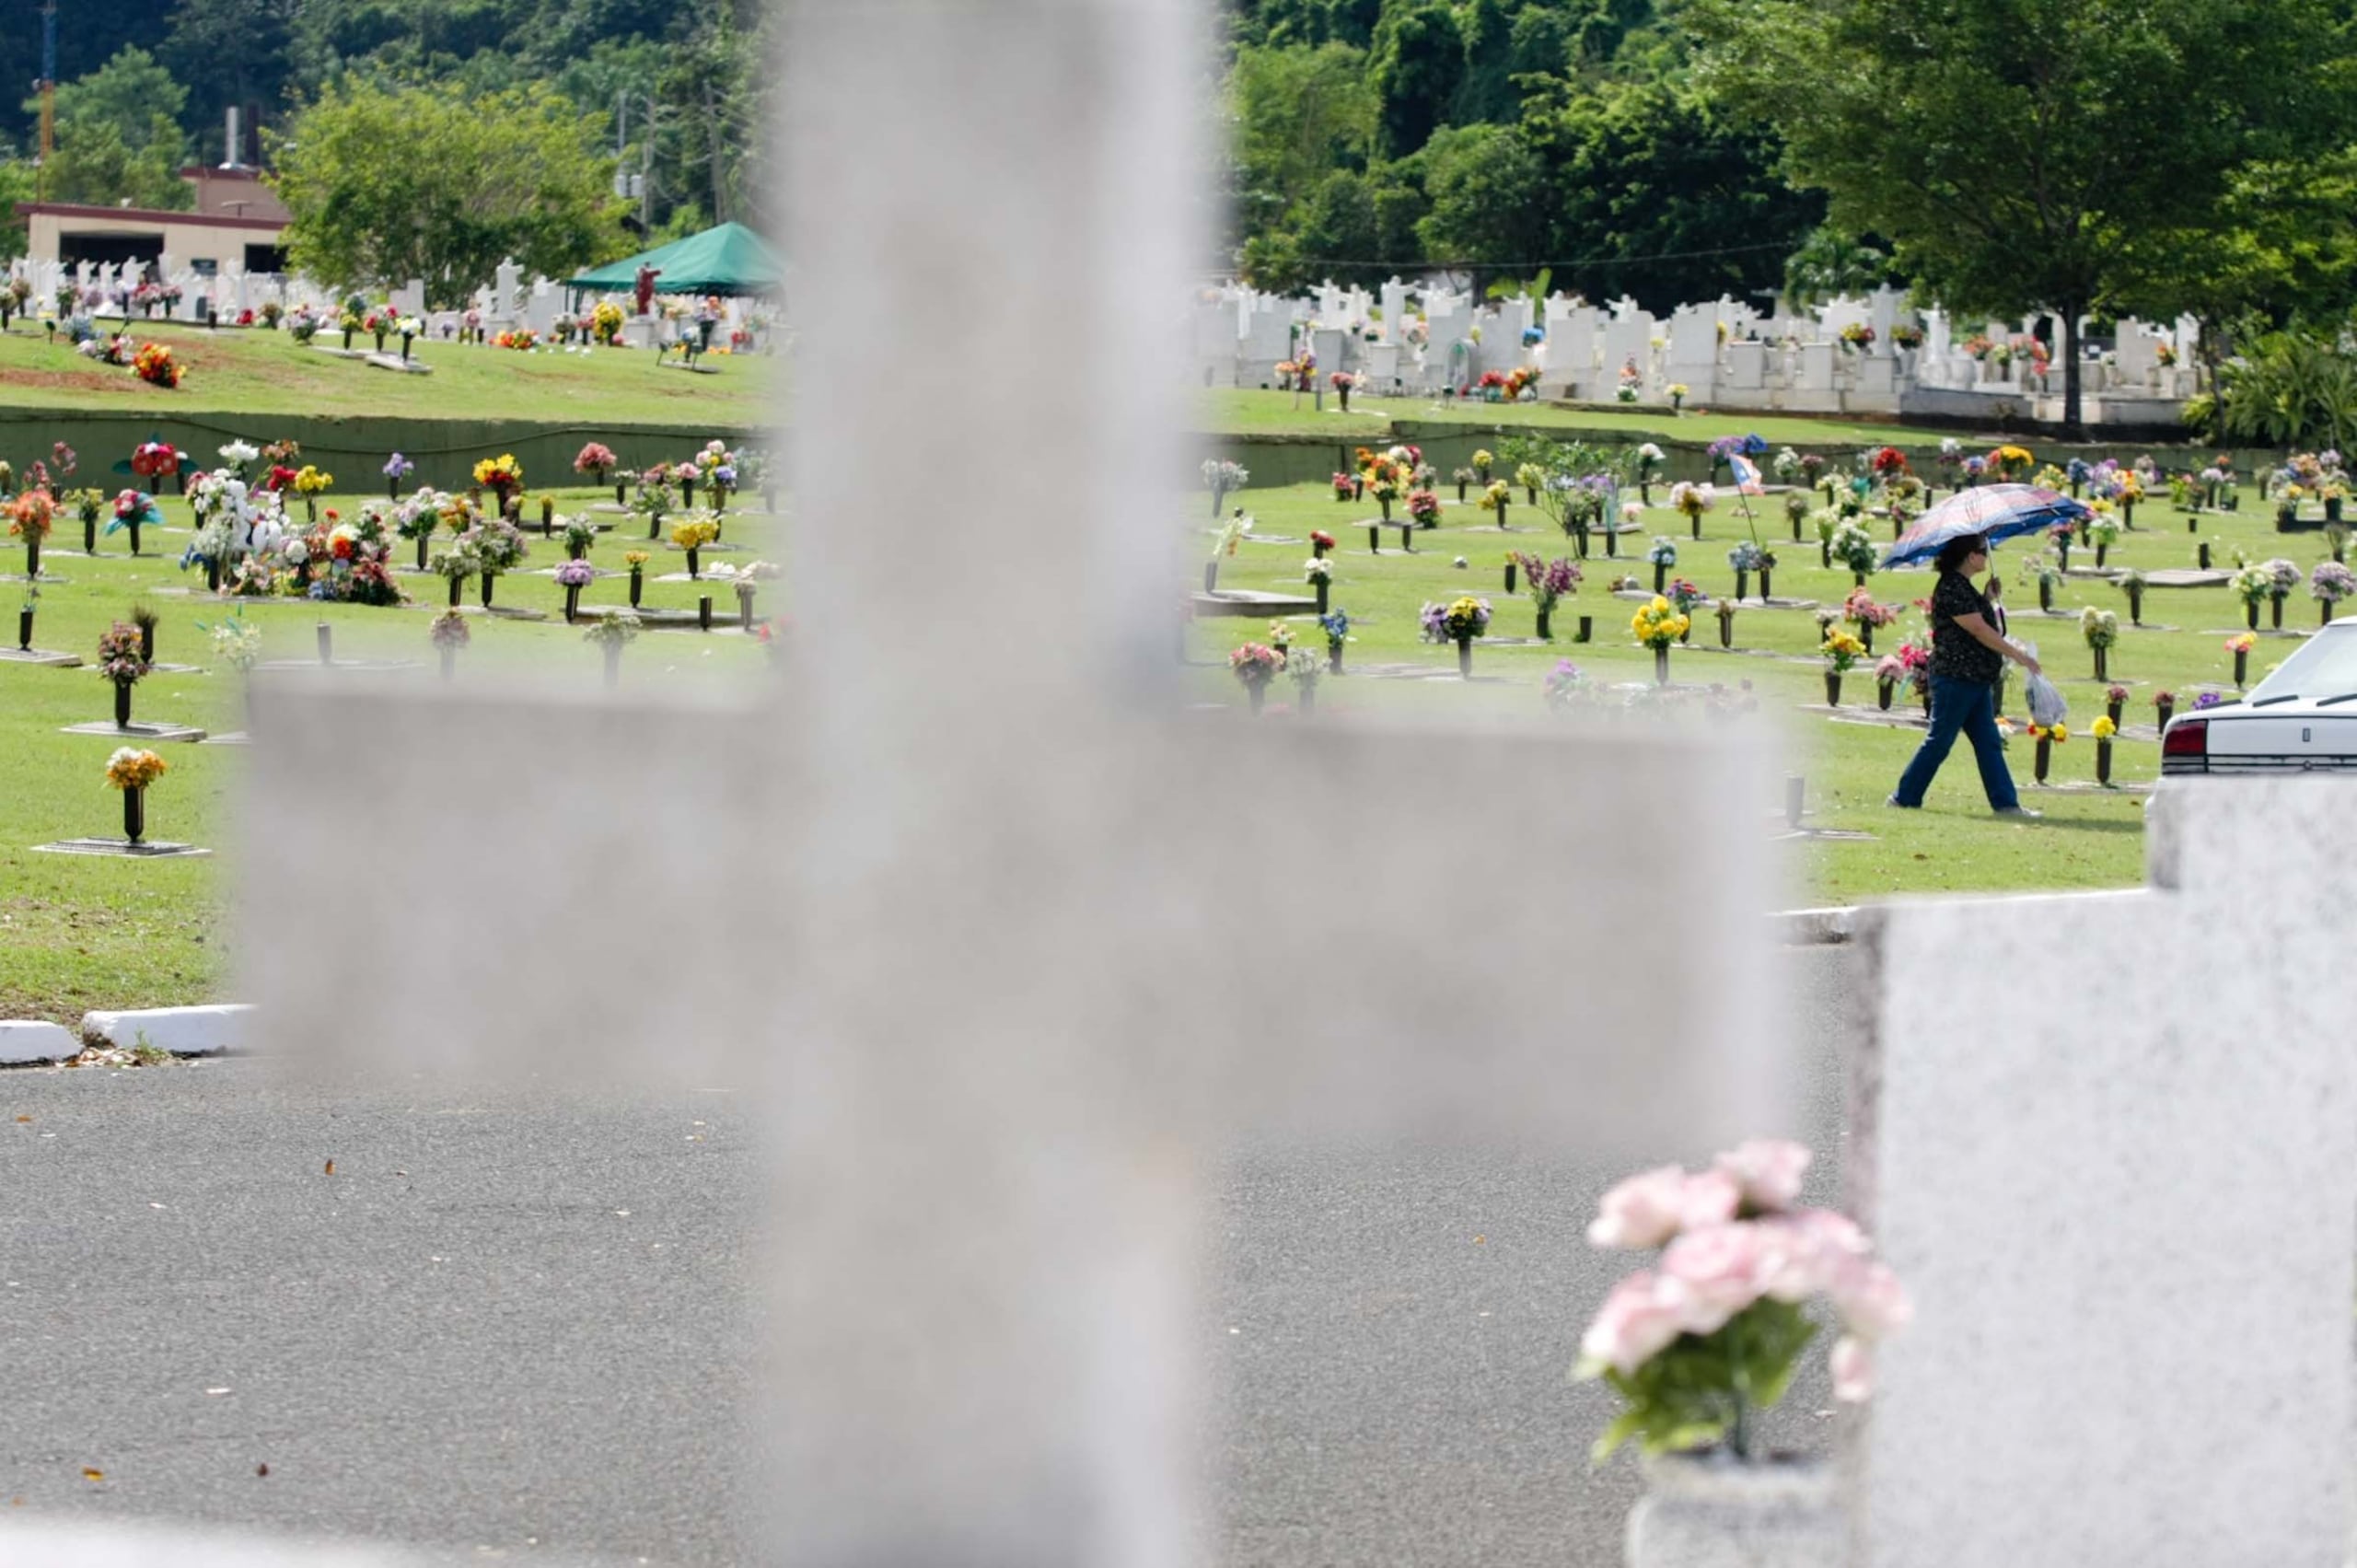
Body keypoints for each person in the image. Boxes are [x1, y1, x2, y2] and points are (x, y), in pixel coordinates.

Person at [1890, 533, 2042, 816]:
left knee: (1988, 743)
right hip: (1956, 679)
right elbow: (1979, 629)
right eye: (1983, 550)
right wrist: (2018, 655)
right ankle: (1904, 797)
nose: (1987, 555)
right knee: (1940, 741)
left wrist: (1987, 597)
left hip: (1974, 679)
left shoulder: (1963, 587)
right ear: (1971, 556)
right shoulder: (1952, 587)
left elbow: (1974, 620)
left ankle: (2006, 804)